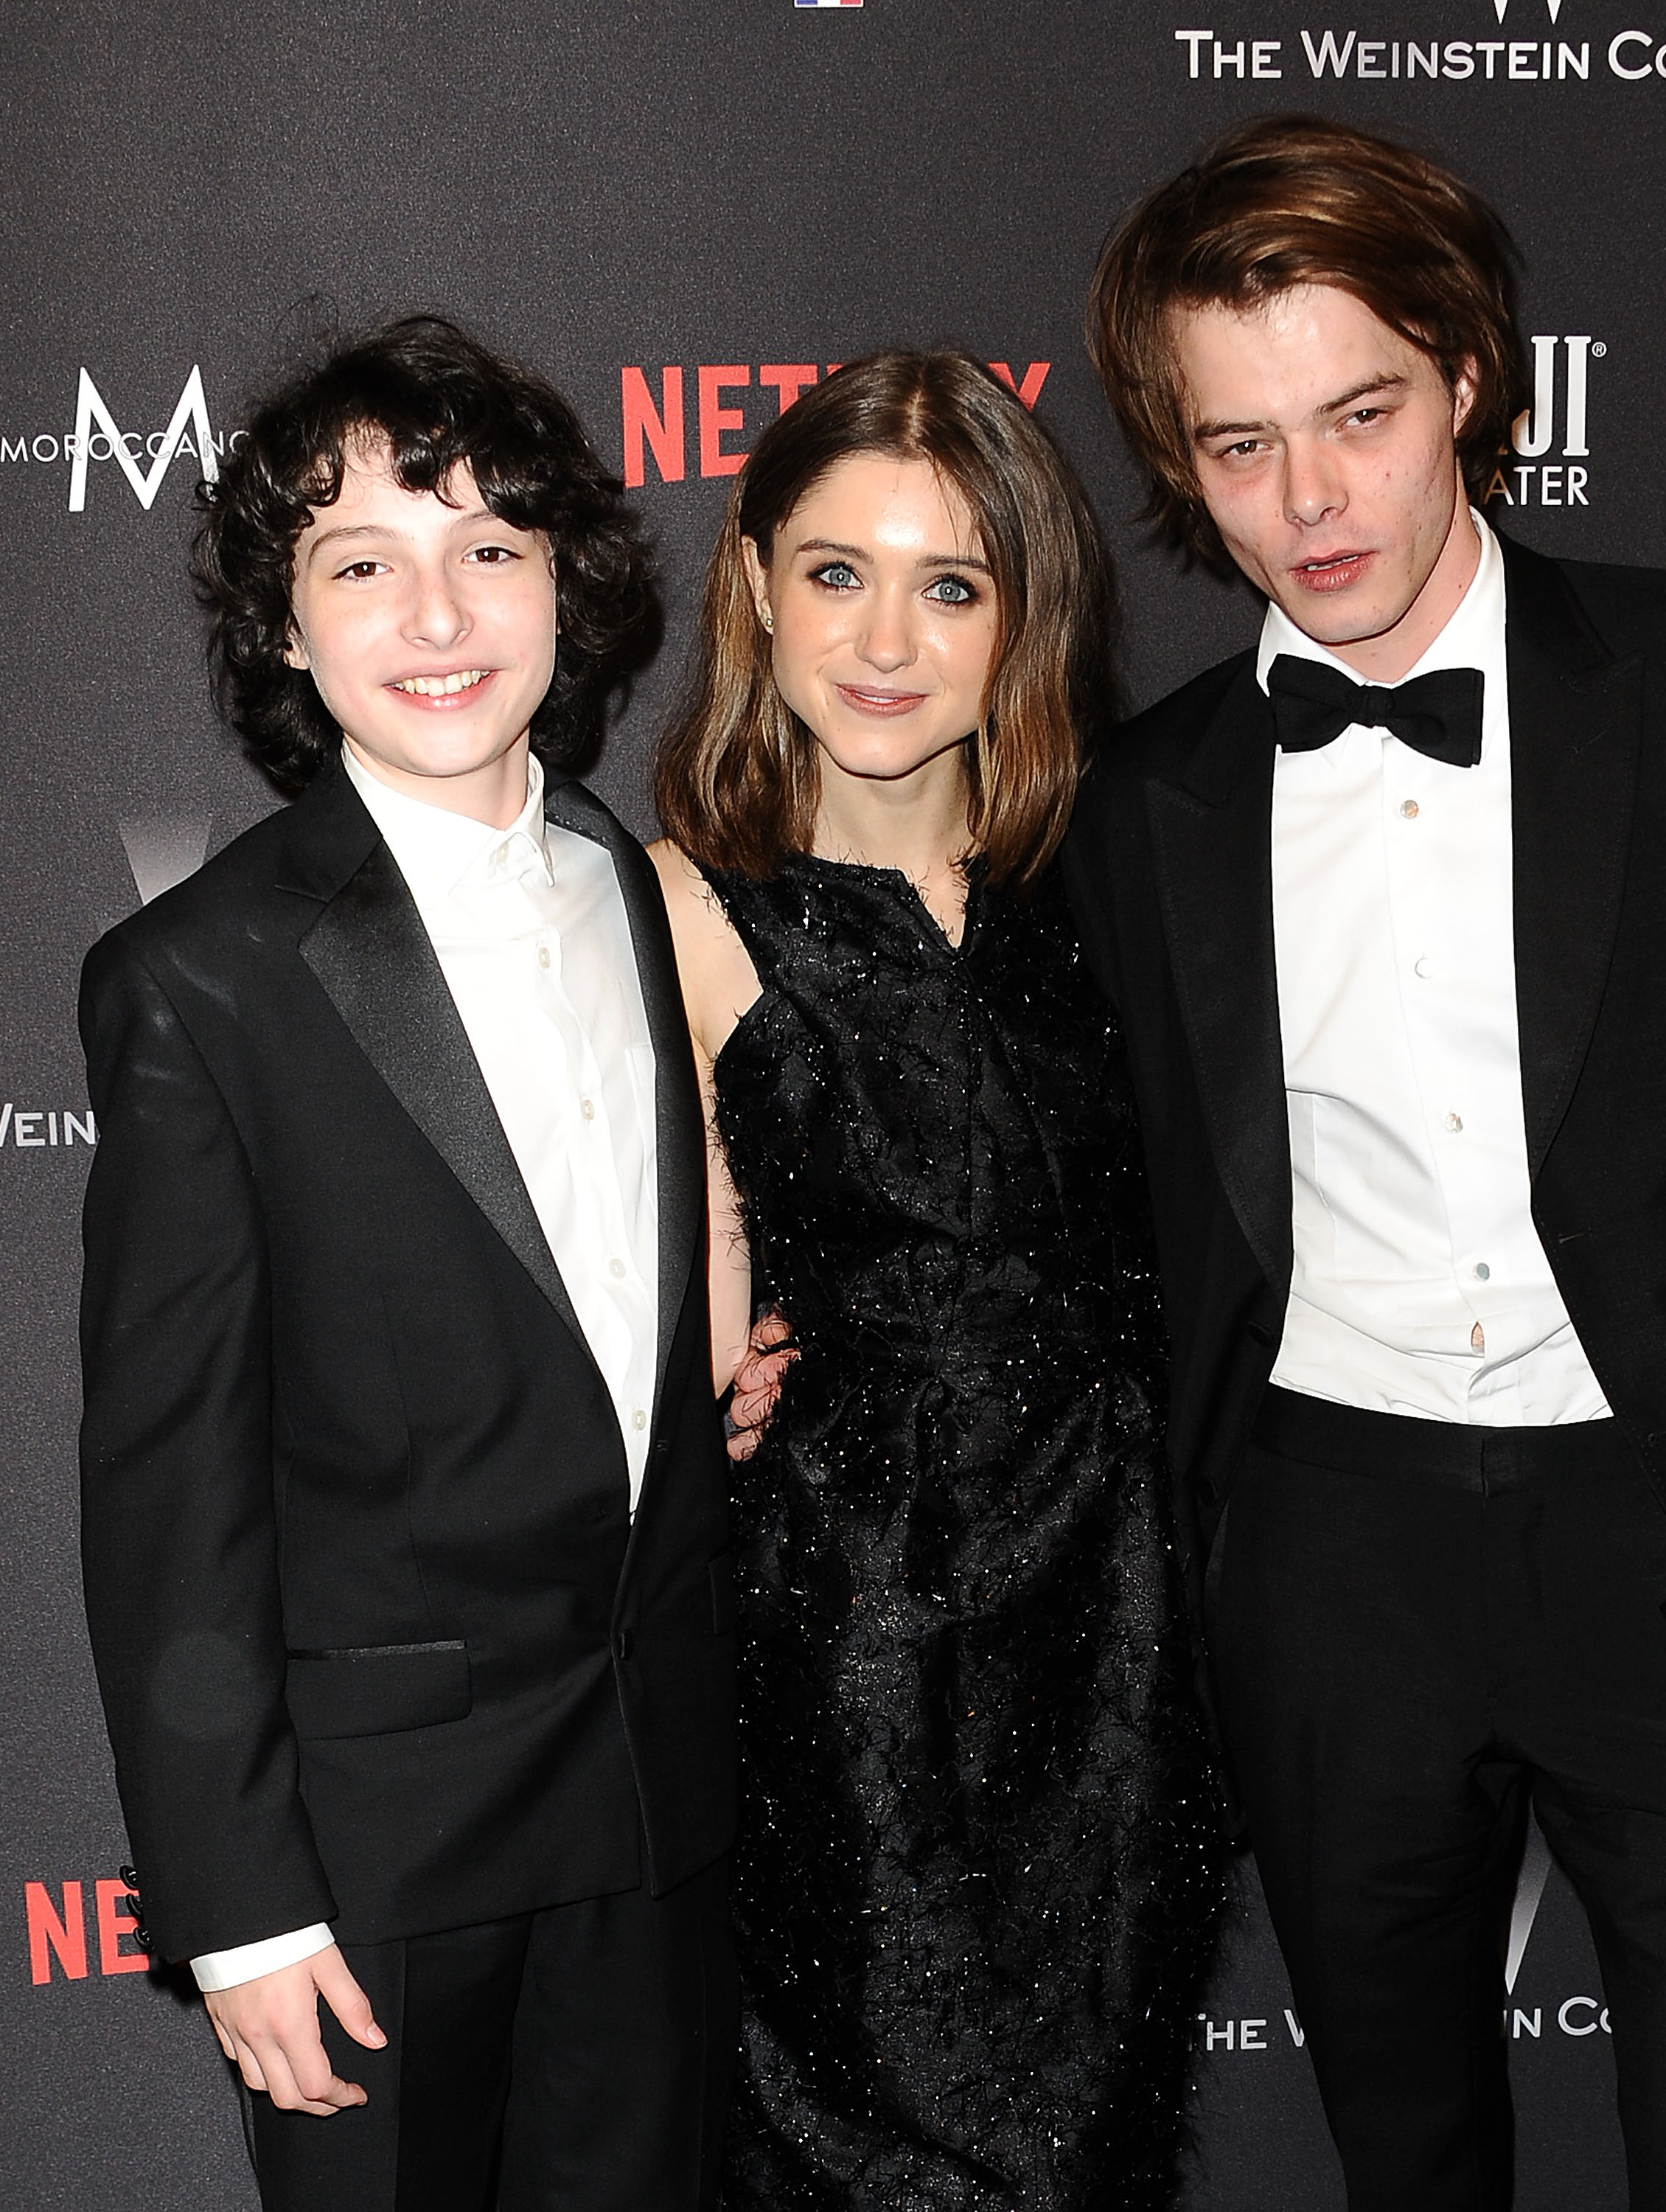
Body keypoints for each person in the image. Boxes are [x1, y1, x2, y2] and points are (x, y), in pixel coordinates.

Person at [1068, 116, 1666, 2212]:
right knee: (1409, 2164)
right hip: (1329, 1564)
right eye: (1242, 444)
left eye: (1358, 414)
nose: (1309, 499)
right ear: (1183, 463)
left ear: (1467, 377)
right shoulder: (1143, 803)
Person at [77, 316, 737, 2212]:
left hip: (659, 1809)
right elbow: (169, 1485)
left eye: (489, 550)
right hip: (375, 1861)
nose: (437, 614)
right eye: (362, 564)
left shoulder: (639, 891)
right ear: (286, 631)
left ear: (566, 591)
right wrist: (238, 1908)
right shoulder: (198, 979)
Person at [649, 351, 1221, 2211]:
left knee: (1086, 2150)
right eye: (838, 573)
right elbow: (658, 1298)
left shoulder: (1127, 876)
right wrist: (703, 1384)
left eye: (950, 586)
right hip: (841, 1644)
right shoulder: (672, 907)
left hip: (1119, 1635)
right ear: (756, 586)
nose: (887, 641)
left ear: (1020, 617)